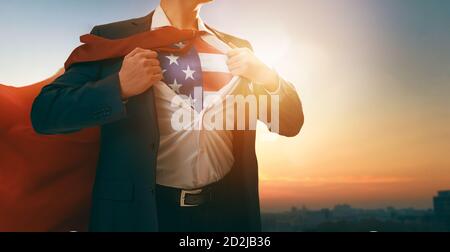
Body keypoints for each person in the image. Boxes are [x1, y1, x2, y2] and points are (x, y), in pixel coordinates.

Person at [30, 0, 304, 232]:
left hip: (227, 215)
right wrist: (119, 87)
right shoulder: (114, 37)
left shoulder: (236, 46)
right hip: (143, 215)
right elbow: (46, 112)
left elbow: (290, 123)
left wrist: (267, 77)